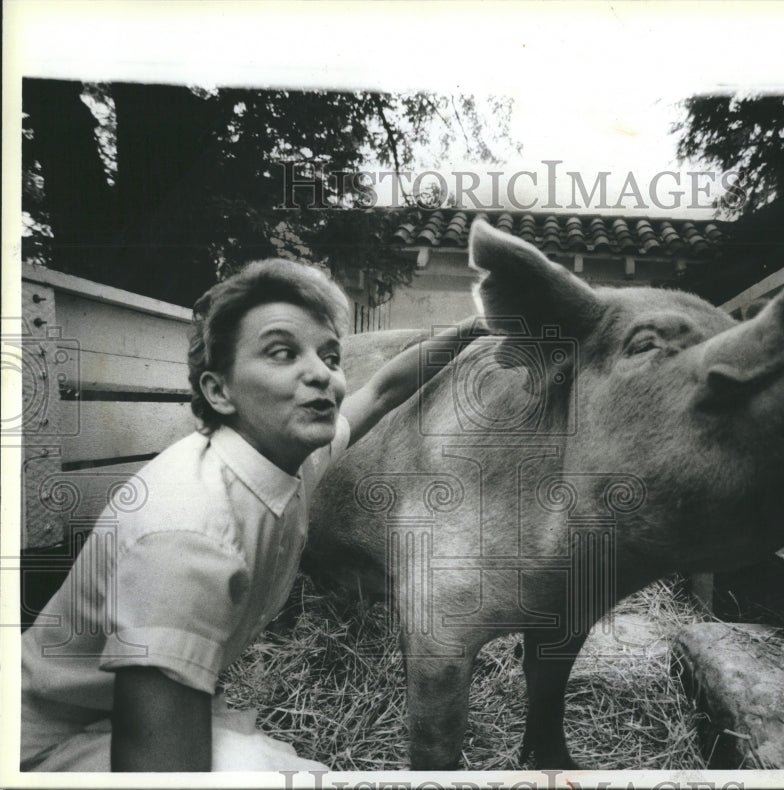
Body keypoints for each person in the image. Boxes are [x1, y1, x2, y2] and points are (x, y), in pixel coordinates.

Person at [20, 258, 477, 772]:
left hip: (119, 718)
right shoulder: (186, 535)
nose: (321, 374)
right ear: (219, 391)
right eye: (282, 352)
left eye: (330, 356)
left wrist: (473, 328)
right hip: (43, 749)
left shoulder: (283, 455)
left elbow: (384, 389)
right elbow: (154, 773)